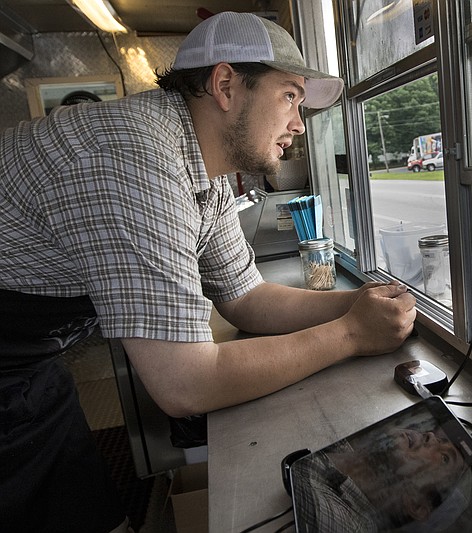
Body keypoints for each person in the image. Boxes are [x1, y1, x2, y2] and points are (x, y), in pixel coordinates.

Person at [0, 11, 416, 532]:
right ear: (225, 85)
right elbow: (184, 384)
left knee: (80, 503)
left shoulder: (205, 167)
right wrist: (352, 334)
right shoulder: (133, 159)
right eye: (290, 95)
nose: (298, 121)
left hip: (28, 354)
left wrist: (360, 304)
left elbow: (247, 299)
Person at [290, 421, 471, 532]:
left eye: (445, 458)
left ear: (416, 504)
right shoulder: (346, 446)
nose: (430, 436)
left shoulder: (334, 519)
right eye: (441, 440)